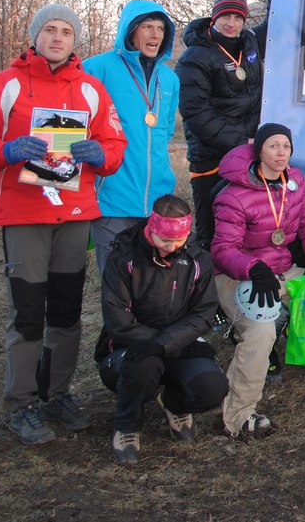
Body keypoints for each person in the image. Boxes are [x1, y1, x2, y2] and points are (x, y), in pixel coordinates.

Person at [0, 3, 127, 445]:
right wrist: (7, 150)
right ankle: (21, 403)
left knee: (68, 311)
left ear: (75, 41)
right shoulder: (4, 85)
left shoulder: (90, 89)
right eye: (49, 30)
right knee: (29, 313)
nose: (57, 38)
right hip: (24, 214)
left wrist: (101, 157)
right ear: (35, 36)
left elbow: (114, 144)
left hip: (74, 215)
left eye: (66, 32)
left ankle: (57, 393)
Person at [211, 123, 305, 438]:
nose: (280, 153)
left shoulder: (295, 182)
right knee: (262, 330)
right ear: (259, 151)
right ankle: (238, 415)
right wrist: (253, 268)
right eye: (273, 146)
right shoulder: (234, 194)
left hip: (283, 270)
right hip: (240, 276)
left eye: (286, 147)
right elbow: (222, 251)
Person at [96, 194, 228, 464]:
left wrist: (165, 344)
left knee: (213, 387)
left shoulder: (198, 258)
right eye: (164, 241)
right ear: (150, 231)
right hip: (128, 346)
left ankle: (173, 402)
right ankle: (127, 426)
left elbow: (204, 311)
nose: (171, 247)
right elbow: (117, 318)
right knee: (142, 364)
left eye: (178, 241)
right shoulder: (123, 257)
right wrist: (155, 345)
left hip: (178, 343)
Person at [82, 0, 180, 275]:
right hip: (112, 197)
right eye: (147, 27)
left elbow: (165, 132)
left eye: (160, 28)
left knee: (152, 280)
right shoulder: (96, 69)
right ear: (130, 30)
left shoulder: (170, 79)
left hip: (157, 200)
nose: (154, 35)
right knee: (117, 280)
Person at [177, 0, 264, 248]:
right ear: (213, 18)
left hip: (247, 154)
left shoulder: (248, 41)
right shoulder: (195, 57)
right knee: (212, 232)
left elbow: (276, 22)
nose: (231, 23)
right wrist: (241, 141)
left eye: (238, 17)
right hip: (212, 158)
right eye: (225, 16)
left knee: (243, 228)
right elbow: (197, 115)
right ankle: (206, 284)